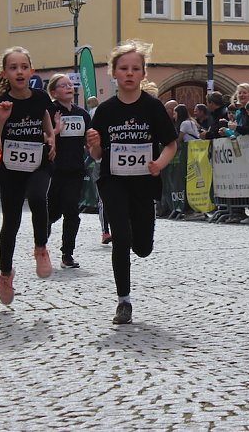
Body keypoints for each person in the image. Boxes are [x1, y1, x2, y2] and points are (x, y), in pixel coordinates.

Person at [85, 39, 178, 325]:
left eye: (135, 68)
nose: (129, 73)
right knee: (121, 239)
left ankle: (141, 244)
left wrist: (158, 164)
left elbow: (171, 144)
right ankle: (123, 301)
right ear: (113, 73)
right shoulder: (106, 110)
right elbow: (98, 154)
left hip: (143, 183)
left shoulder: (152, 107)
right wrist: (95, 146)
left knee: (143, 247)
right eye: (123, 68)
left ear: (143, 74)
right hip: (113, 181)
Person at [0, 46, 56, 305]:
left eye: (24, 67)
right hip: (11, 169)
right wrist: (2, 120)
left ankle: (41, 248)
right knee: (10, 224)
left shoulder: (40, 98)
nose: (19, 71)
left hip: (39, 161)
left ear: (31, 71)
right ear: (5, 74)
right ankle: (5, 274)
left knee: (38, 197)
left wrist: (51, 136)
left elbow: (44, 116)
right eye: (13, 68)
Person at [46, 72, 91, 269]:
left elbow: (89, 140)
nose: (68, 87)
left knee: (72, 211)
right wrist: (55, 130)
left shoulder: (82, 114)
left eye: (70, 84)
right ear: (54, 92)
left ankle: (67, 253)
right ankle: (41, 245)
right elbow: (42, 138)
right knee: (51, 213)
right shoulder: (49, 111)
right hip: (53, 171)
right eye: (63, 85)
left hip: (75, 169)